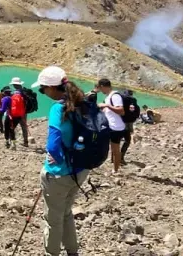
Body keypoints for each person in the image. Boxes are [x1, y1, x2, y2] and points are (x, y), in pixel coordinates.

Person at [33, 66, 90, 256]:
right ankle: (73, 252)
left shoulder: (58, 108)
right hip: (81, 170)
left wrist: (54, 162)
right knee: (66, 213)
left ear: (51, 87)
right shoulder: (81, 102)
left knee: (53, 220)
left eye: (42, 89)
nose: (43, 92)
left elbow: (53, 145)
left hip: (59, 174)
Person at [95, 79, 126, 173]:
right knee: (107, 147)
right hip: (110, 126)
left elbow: (121, 111)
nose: (101, 91)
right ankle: (102, 164)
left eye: (100, 88)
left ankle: (115, 170)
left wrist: (107, 105)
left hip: (116, 128)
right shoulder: (109, 97)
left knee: (115, 150)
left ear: (102, 86)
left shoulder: (115, 96)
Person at [10, 77, 30, 147]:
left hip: (16, 112)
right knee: (24, 127)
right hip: (24, 112)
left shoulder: (14, 93)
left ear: (15, 85)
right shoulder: (25, 91)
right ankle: (26, 142)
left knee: (12, 127)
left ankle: (12, 142)